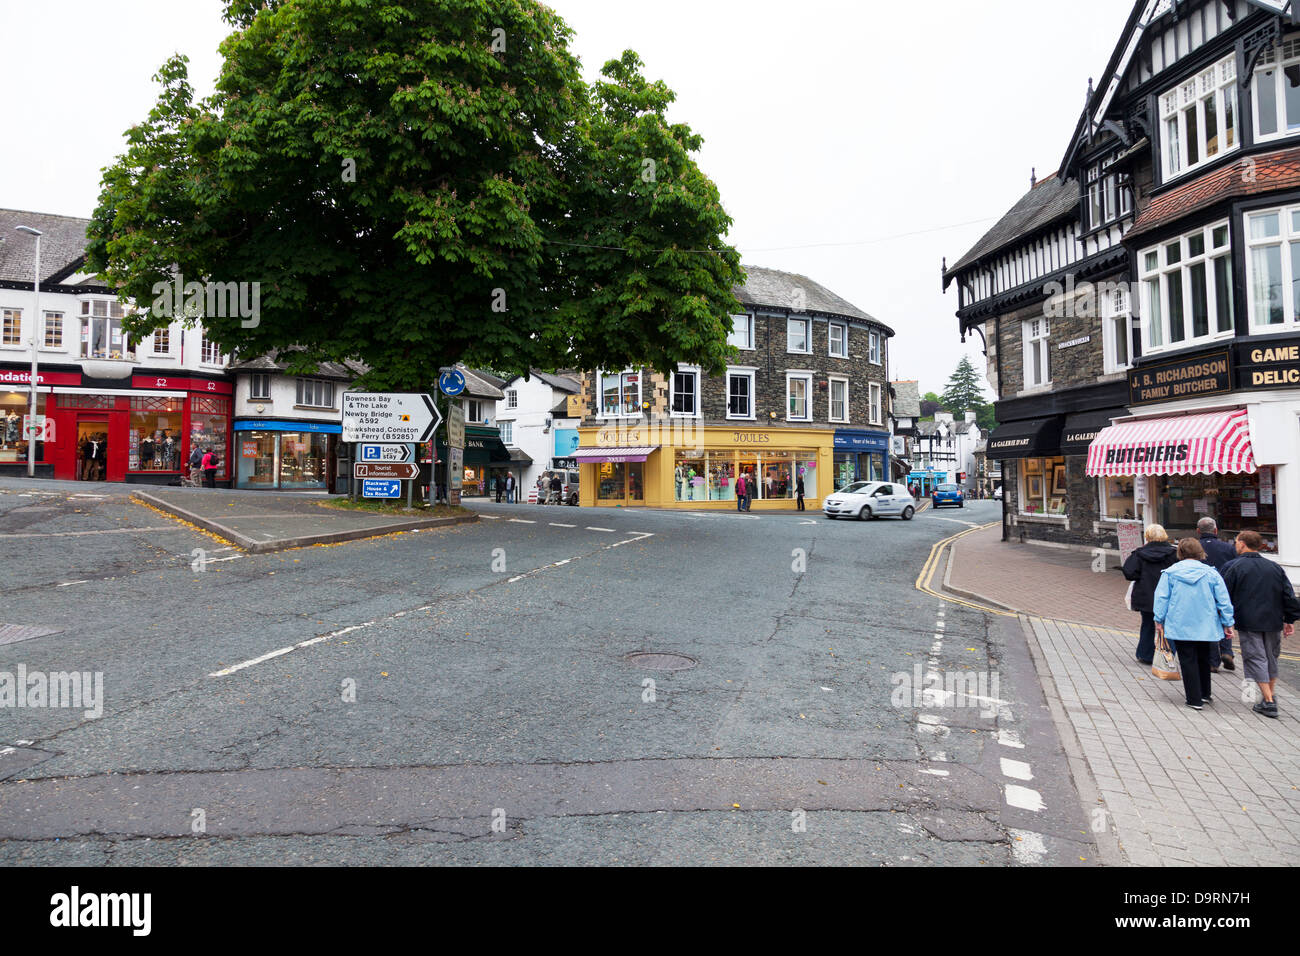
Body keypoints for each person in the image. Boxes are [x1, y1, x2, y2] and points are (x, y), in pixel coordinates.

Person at [1222, 530, 1300, 719]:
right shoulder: (1274, 567)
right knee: (1271, 658)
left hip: (1249, 620)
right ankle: (1269, 697)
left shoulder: (1233, 567)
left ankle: (1269, 701)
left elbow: (1224, 597)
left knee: (1255, 658)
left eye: (1236, 542)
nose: (1235, 545)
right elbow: (1288, 595)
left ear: (1242, 543)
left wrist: (1225, 621)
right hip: (1273, 620)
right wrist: (1290, 619)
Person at [1153, 538, 1236, 710]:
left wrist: (1158, 620)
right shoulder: (1211, 573)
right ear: (1199, 551)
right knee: (1204, 657)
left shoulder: (1170, 573)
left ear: (1180, 552)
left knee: (1187, 659)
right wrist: (1228, 623)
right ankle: (1205, 694)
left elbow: (1161, 598)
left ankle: (1194, 699)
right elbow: (1223, 600)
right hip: (1206, 623)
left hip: (1180, 622)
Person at [1122, 524, 1178, 665]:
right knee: (1168, 624)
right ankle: (1168, 654)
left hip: (1146, 595)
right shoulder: (1175, 554)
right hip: (1169, 595)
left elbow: (1129, 572)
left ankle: (1145, 654)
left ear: (1147, 536)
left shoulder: (1139, 554)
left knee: (1147, 623)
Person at [1197, 516, 1239, 671]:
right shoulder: (1228, 548)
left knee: (1209, 623)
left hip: (1201, 591)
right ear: (1215, 530)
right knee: (1224, 620)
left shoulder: (1194, 547)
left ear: (1198, 531)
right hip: (1224, 589)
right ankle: (1227, 651)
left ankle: (1213, 661)